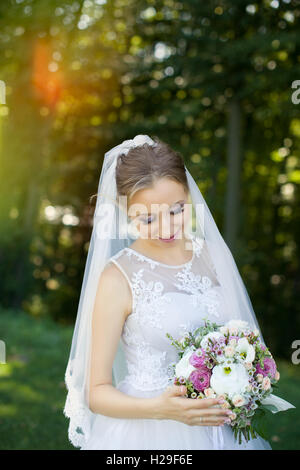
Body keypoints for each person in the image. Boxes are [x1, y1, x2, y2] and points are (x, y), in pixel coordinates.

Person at [63, 135, 275, 450]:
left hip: (220, 426)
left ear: (189, 195)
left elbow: (244, 336)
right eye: (147, 218)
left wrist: (249, 375)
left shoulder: (214, 255)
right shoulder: (116, 278)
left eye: (176, 210)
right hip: (147, 432)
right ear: (125, 212)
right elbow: (95, 392)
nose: (165, 227)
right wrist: (162, 409)